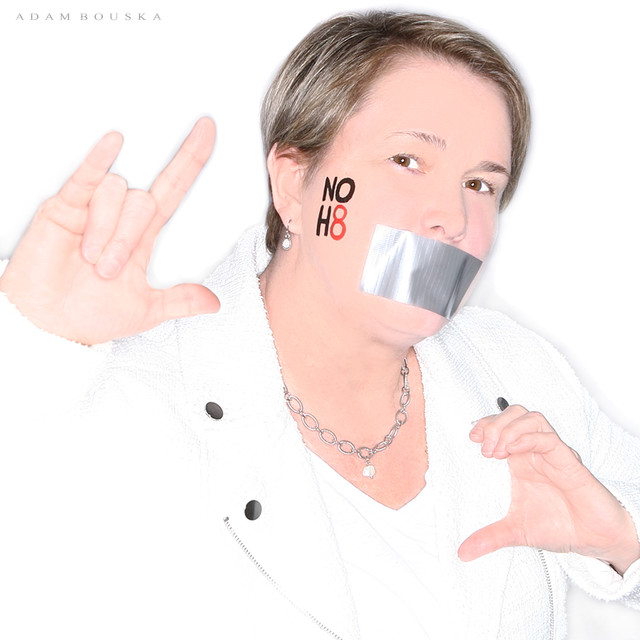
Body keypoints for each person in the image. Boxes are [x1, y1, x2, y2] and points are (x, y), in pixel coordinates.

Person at [1, 10, 638, 639]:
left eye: (480, 184)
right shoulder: (127, 388)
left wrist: (622, 540)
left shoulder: (517, 369)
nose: (452, 217)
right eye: (407, 160)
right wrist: (29, 341)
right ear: (295, 184)